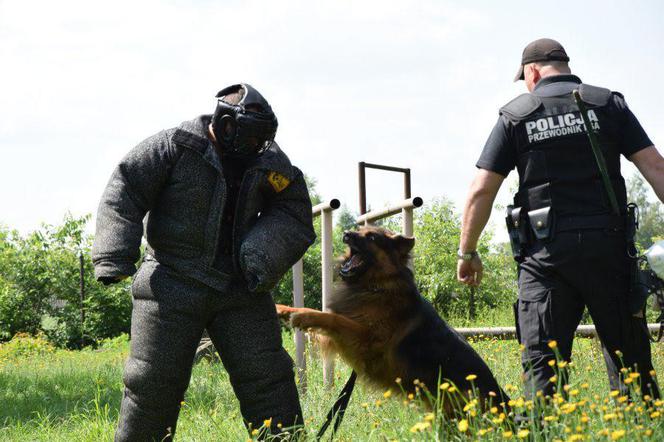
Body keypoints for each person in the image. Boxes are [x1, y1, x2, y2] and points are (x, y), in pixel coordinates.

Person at [92, 83, 316, 441]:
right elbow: (125, 188)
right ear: (226, 123)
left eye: (263, 139)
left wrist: (262, 254)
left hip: (241, 286)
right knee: (151, 383)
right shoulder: (175, 147)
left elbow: (293, 210)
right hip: (169, 282)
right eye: (251, 138)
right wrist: (113, 256)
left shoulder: (268, 160)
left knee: (269, 381)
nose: (257, 147)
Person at [457, 38, 664, 400]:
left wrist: (468, 253)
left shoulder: (516, 115)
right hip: (610, 250)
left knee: (543, 371)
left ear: (532, 71)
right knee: (631, 365)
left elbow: (480, 191)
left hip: (546, 258)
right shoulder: (608, 104)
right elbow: (655, 167)